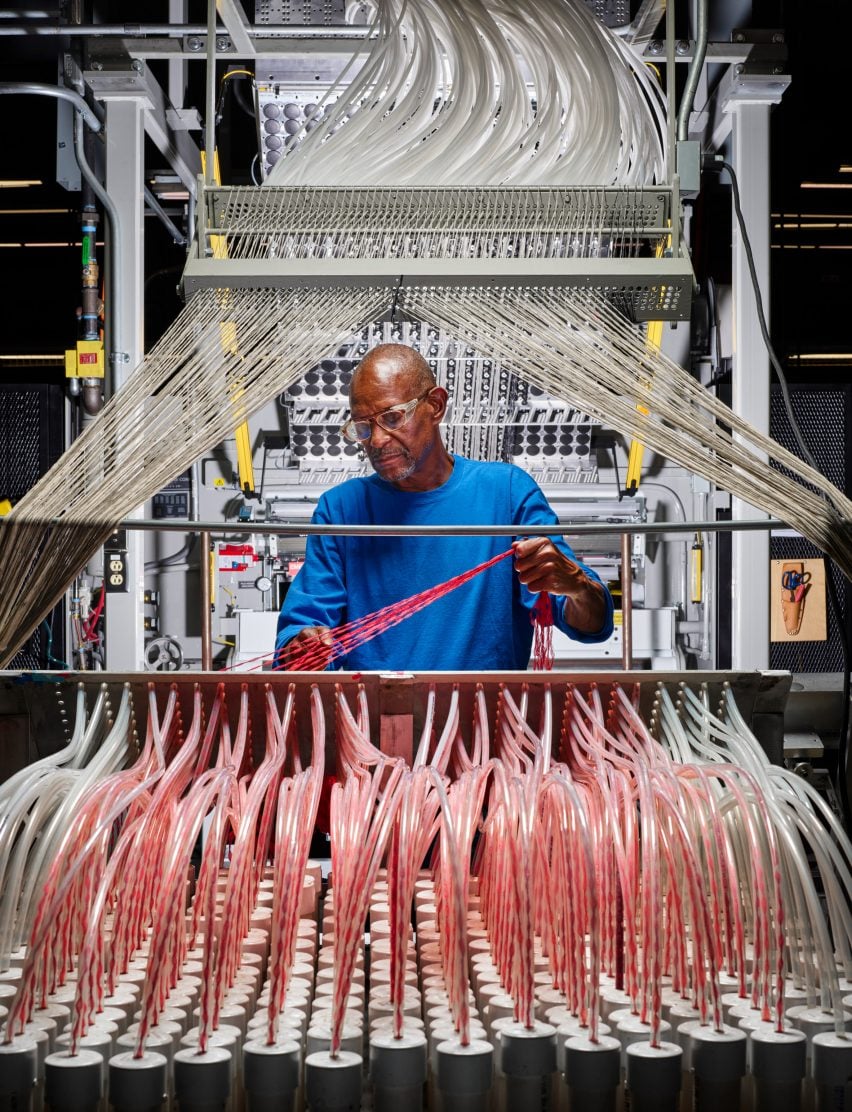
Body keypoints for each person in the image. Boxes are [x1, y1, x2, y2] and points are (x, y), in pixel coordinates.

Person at [275, 344, 614, 670]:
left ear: (435, 406)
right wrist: (304, 647)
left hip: (481, 720)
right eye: (363, 427)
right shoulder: (341, 511)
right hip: (373, 722)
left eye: (392, 418)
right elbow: (303, 630)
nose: (377, 441)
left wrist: (577, 586)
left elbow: (590, 622)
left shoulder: (507, 493)